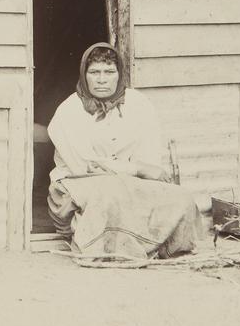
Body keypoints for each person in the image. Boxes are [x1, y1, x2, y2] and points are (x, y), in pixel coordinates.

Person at [46, 42, 200, 260]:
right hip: (78, 187)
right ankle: (110, 249)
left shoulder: (138, 104)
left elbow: (150, 161)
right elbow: (87, 167)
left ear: (119, 75)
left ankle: (164, 248)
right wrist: (136, 169)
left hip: (126, 185)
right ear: (84, 74)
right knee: (110, 192)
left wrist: (144, 175)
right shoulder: (69, 111)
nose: (101, 79)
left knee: (180, 196)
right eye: (94, 72)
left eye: (109, 72)